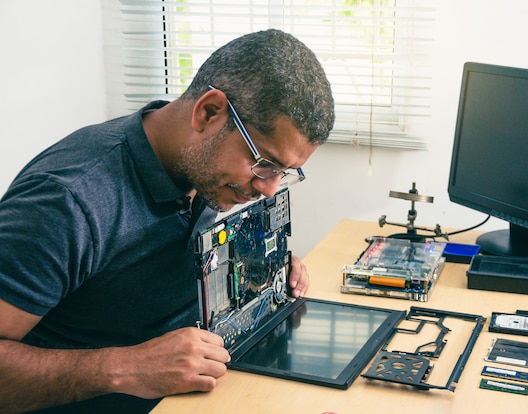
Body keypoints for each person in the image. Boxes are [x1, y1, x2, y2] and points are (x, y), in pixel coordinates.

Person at [0, 29, 335, 413]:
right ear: (209, 112)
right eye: (265, 164)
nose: (269, 189)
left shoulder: (203, 172)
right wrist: (124, 368)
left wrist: (260, 274)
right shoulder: (68, 201)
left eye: (286, 172)